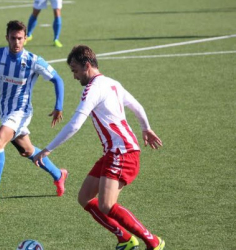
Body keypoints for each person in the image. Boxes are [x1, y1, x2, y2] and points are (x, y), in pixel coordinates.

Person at [33, 45, 165, 250]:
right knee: (84, 197)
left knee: (106, 205)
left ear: (87, 65)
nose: (75, 77)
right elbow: (137, 106)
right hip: (114, 152)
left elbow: (75, 124)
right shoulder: (112, 83)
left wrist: (48, 149)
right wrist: (145, 128)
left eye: (75, 70)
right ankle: (125, 239)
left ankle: (153, 242)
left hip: (122, 152)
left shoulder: (92, 89)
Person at [0, 20, 68, 208]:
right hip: (4, 111)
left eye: (19, 38)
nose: (16, 42)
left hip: (21, 111)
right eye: (12, 38)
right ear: (7, 38)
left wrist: (59, 106)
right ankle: (59, 174)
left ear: (25, 39)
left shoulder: (34, 61)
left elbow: (57, 80)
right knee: (27, 151)